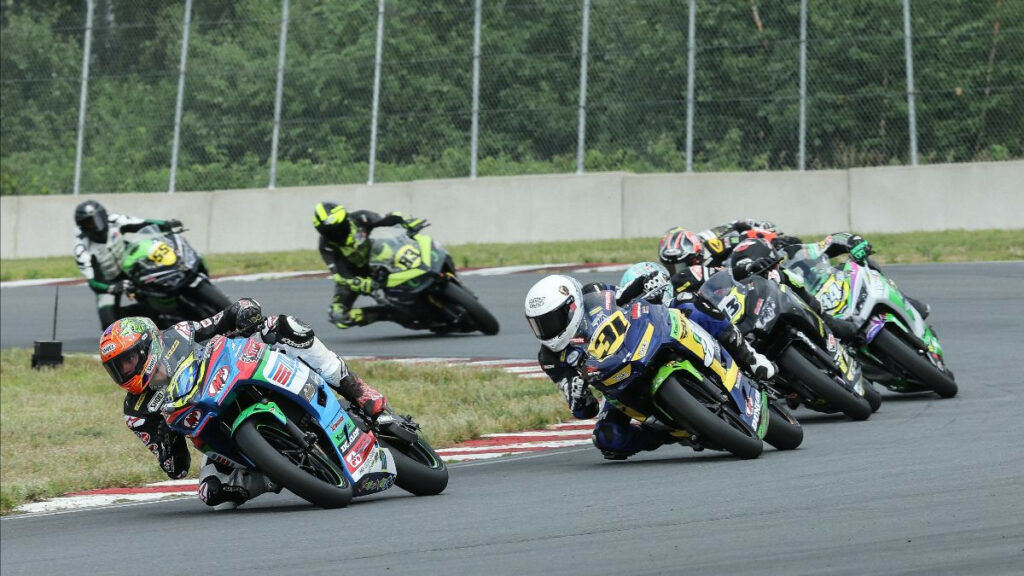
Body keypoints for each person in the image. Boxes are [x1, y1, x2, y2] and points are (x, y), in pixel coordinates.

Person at [99, 298, 389, 510]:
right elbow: (177, 469)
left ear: (147, 346)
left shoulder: (179, 335)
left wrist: (244, 311)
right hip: (216, 432)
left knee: (283, 326)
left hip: (235, 375)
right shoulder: (136, 412)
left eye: (127, 360)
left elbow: (224, 317)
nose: (123, 370)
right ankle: (277, 474)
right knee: (211, 494)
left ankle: (358, 390)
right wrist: (166, 444)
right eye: (116, 367)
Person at [524, 272, 775, 462]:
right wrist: (577, 394)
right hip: (615, 383)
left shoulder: (595, 293)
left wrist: (647, 286)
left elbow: (624, 296)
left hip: (642, 342)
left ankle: (750, 357)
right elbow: (582, 409)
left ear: (572, 307)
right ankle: (669, 431)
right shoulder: (550, 358)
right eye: (538, 324)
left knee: (688, 303)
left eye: (550, 320)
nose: (545, 330)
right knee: (607, 439)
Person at [312, 202, 429, 329]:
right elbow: (338, 274)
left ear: (344, 219)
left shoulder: (359, 218)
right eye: (328, 232)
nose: (334, 234)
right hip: (354, 275)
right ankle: (387, 313)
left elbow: (387, 218)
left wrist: (407, 221)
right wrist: (358, 282)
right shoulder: (326, 245)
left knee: (393, 250)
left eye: (337, 228)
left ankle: (425, 274)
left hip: (375, 257)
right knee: (338, 315)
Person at [73, 200, 183, 328]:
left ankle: (177, 298)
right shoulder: (81, 247)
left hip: (130, 265)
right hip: (108, 281)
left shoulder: (114, 220)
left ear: (103, 215)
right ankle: (146, 320)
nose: (95, 226)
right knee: (108, 323)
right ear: (82, 227)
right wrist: (111, 288)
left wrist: (166, 225)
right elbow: (92, 282)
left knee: (160, 273)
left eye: (97, 220)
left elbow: (141, 224)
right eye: (89, 224)